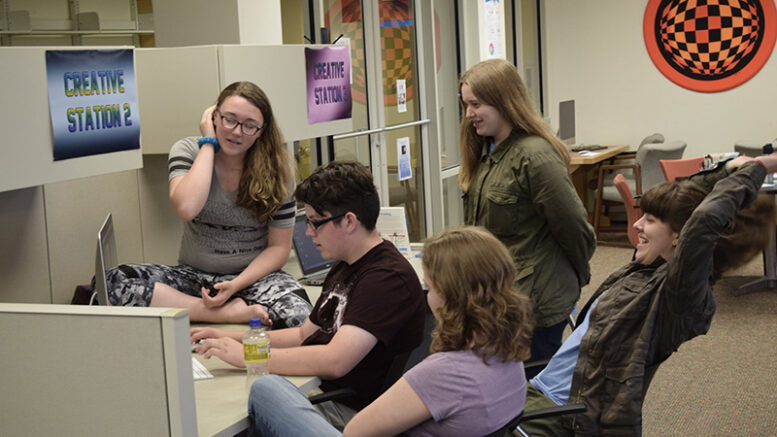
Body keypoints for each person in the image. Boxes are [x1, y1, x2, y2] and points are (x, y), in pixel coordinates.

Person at [519, 155, 777, 436]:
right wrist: (726, 170)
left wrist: (760, 165)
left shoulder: (678, 298)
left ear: (679, 236)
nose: (637, 225)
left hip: (561, 417)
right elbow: (685, 203)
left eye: (650, 220)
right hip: (536, 392)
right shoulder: (649, 267)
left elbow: (703, 220)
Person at [191, 161, 426, 428]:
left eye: (315, 223)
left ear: (349, 221)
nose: (308, 232)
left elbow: (335, 360)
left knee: (241, 411)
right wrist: (232, 338)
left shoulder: (386, 279)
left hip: (352, 415)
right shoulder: (346, 264)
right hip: (328, 397)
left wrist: (248, 356)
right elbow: (304, 335)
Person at [248, 226, 535, 436]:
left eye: (431, 287)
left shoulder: (442, 373)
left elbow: (354, 433)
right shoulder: (508, 350)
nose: (429, 296)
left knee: (267, 389)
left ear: (449, 296)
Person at [104, 81, 311, 327]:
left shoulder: (279, 169)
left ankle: (211, 308)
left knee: (301, 317)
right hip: (193, 278)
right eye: (229, 119)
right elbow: (187, 208)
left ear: (261, 131)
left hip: (254, 279)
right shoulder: (189, 150)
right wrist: (208, 144)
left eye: (249, 126)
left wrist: (236, 284)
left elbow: (279, 248)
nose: (236, 132)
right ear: (214, 118)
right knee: (112, 283)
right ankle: (224, 313)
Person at [458, 58, 596, 361]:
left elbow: (575, 229)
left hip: (535, 301)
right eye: (466, 105)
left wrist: (576, 275)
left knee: (532, 391)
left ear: (503, 101)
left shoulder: (535, 157)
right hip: (501, 296)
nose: (469, 114)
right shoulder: (488, 151)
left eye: (476, 104)